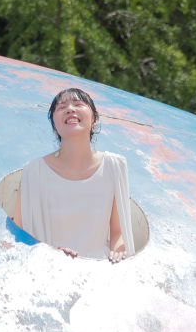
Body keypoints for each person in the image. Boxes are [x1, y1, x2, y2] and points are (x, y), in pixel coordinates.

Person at [12, 88, 134, 262]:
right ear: (54, 124)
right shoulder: (34, 171)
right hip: (47, 272)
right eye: (61, 107)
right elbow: (20, 233)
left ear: (94, 119)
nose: (70, 109)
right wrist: (51, 253)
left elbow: (118, 233)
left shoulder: (115, 166)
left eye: (78, 104)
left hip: (99, 274)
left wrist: (118, 253)